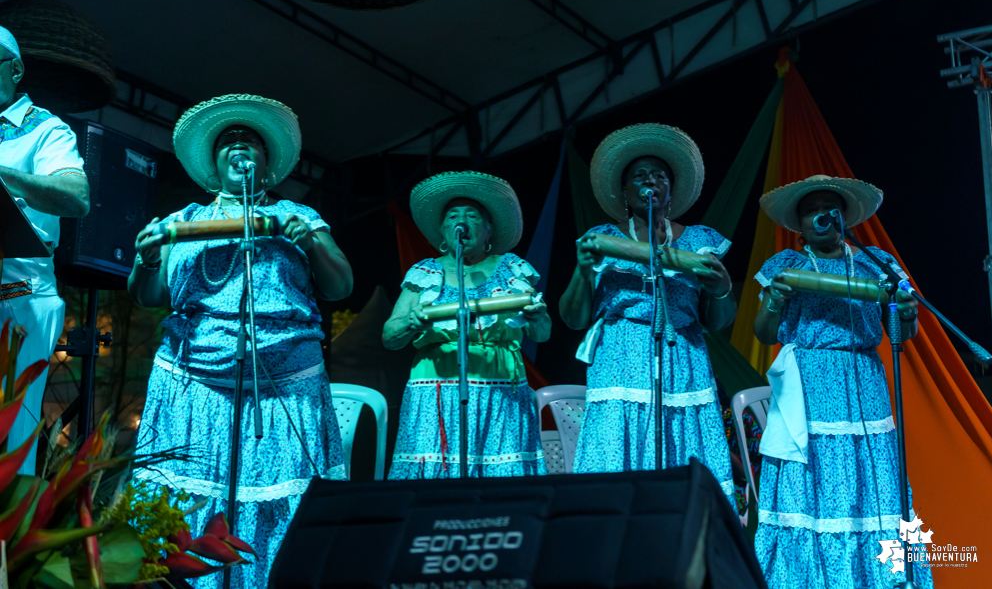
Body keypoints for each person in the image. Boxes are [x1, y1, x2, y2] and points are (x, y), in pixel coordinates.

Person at [129, 94, 352, 589]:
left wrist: (310, 242)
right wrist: (146, 258)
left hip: (284, 384)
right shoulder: (183, 221)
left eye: (248, 139)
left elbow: (341, 286)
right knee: (190, 500)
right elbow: (149, 298)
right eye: (228, 140)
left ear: (266, 162)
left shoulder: (297, 215)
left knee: (277, 501)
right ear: (214, 162)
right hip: (193, 386)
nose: (237, 146)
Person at [752, 174, 933, 588]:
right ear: (799, 223)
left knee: (871, 480)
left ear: (844, 216)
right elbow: (764, 333)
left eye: (829, 207)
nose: (822, 215)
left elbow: (902, 336)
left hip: (865, 378)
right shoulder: (786, 265)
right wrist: (777, 298)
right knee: (815, 478)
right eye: (811, 209)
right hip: (810, 383)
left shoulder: (876, 263)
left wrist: (907, 311)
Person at [560, 124, 737, 501]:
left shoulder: (698, 242)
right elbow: (573, 318)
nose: (650, 181)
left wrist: (721, 290)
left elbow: (717, 321)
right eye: (639, 175)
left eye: (659, 175)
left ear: (670, 189)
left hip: (683, 355)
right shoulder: (604, 239)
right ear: (625, 192)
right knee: (620, 453)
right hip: (621, 354)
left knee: (682, 447)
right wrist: (583, 269)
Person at [383, 171, 550, 478]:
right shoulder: (424, 272)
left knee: (501, 479)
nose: (462, 221)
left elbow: (542, 332)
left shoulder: (512, 268)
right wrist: (411, 320)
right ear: (443, 232)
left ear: (489, 230)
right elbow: (390, 336)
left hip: (501, 387)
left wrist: (537, 315)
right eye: (452, 216)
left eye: (473, 215)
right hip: (436, 386)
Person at [0, 25, 90, 474]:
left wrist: (4, 175)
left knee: (11, 442)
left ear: (15, 69)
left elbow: (76, 197)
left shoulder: (46, 128)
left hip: (19, 299)